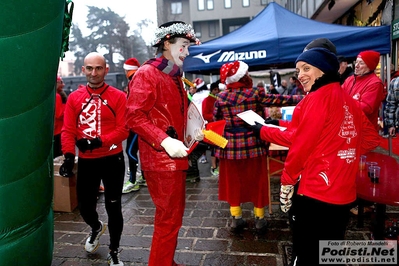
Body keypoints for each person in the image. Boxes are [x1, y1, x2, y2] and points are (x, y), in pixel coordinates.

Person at [251, 47, 380, 265]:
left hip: (316, 193)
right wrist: (341, 153)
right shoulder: (347, 99)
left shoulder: (317, 98)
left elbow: (301, 144)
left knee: (306, 252)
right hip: (343, 193)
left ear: (323, 70)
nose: (300, 74)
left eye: (306, 68)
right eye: (298, 69)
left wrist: (287, 182)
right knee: (329, 252)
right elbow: (369, 139)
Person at [125, 21, 202, 266]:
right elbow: (133, 116)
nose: (187, 52)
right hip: (161, 159)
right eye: (184, 46)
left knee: (172, 217)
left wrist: (193, 130)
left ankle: (165, 260)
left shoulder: (173, 74)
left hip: (172, 156)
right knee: (169, 218)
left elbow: (177, 112)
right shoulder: (148, 73)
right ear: (167, 44)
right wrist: (165, 140)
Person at [213, 60, 303, 235]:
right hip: (254, 145)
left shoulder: (221, 98)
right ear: (243, 76)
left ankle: (236, 218)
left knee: (234, 183)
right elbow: (278, 100)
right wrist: (304, 97)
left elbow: (217, 120)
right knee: (258, 182)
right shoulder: (255, 93)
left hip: (230, 148)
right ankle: (260, 220)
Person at [60, 52, 128, 266]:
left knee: (113, 207)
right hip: (87, 163)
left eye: (98, 68)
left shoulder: (118, 96)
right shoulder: (74, 98)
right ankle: (96, 227)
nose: (94, 72)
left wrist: (98, 141)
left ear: (106, 70)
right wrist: (69, 156)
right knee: (85, 207)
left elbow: (124, 129)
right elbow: (68, 130)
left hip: (112, 160)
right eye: (89, 68)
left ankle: (114, 250)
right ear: (83, 70)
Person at [342, 50, 385, 132]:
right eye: (356, 62)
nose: (356, 66)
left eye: (361, 63)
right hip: (348, 128)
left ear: (370, 66)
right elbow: (338, 94)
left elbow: (366, 108)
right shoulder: (350, 79)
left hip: (364, 131)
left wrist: (344, 102)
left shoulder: (375, 83)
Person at [121, 57, 145, 193]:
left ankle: (133, 181)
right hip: (140, 121)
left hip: (137, 122)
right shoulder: (137, 79)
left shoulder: (134, 80)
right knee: (138, 150)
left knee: (130, 151)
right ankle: (142, 177)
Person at [202, 80, 221, 176]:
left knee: (219, 147)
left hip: (220, 126)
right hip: (212, 127)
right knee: (214, 148)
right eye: (215, 90)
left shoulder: (219, 99)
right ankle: (214, 167)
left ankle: (217, 166)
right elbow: (205, 114)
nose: (217, 92)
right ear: (212, 90)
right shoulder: (207, 100)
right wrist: (215, 116)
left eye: (218, 90)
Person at [54, 76, 67, 158]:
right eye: (61, 82)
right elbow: (59, 114)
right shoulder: (57, 96)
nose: (63, 84)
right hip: (59, 130)